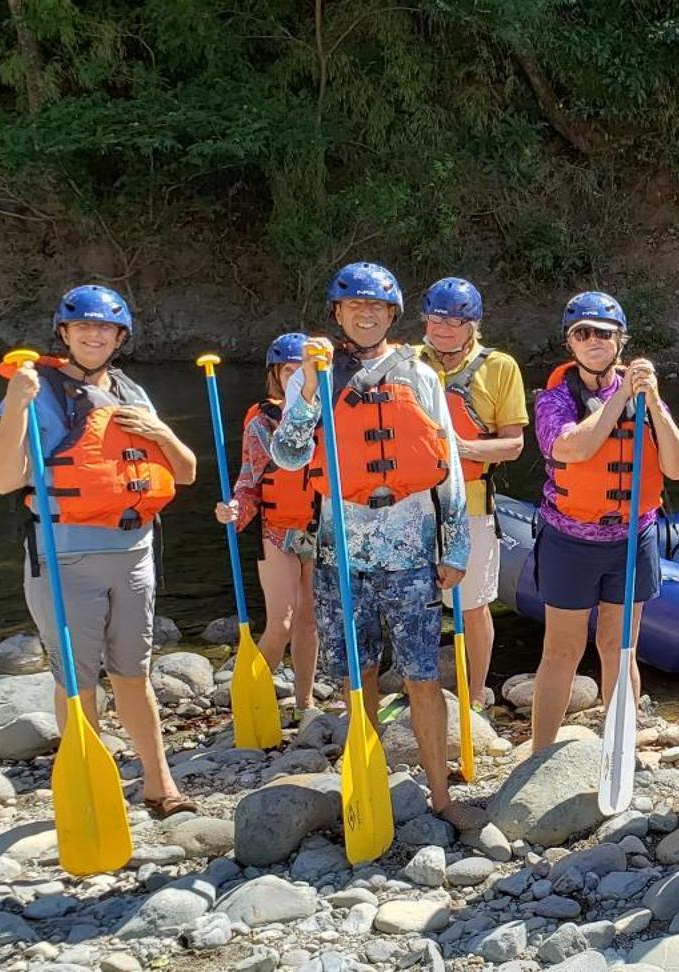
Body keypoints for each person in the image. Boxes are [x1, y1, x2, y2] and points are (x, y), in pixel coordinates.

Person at [0, 284, 199, 817]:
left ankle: (160, 785)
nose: (94, 334)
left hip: (134, 555)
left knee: (134, 674)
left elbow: (187, 472)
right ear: (65, 332)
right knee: (77, 684)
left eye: (105, 327)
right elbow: (2, 478)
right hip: (65, 559)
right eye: (83, 326)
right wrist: (15, 403)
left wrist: (160, 433)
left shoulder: (133, 394)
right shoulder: (39, 392)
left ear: (120, 336)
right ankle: (91, 789)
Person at [268, 261, 470, 812]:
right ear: (337, 312)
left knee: (424, 676)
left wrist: (455, 544)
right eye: (354, 305)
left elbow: (447, 462)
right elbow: (287, 455)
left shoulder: (420, 375)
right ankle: (371, 785)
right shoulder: (311, 376)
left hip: (409, 545)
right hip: (341, 552)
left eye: (376, 306)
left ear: (391, 314)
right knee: (361, 676)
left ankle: (441, 794)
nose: (365, 313)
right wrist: (308, 389)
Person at [528, 291, 679, 752]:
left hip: (630, 539)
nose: (594, 340)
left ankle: (620, 746)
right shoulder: (556, 398)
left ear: (620, 340)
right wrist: (620, 394)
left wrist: (652, 401)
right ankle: (540, 753)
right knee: (561, 651)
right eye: (584, 333)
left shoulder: (645, 396)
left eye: (604, 332)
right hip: (569, 538)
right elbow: (571, 448)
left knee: (620, 650)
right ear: (571, 343)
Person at [418, 277, 528, 718]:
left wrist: (460, 450)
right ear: (425, 317)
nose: (446, 327)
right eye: (438, 317)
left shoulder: (499, 367)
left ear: (473, 325)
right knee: (413, 601)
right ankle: (418, 684)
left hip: (472, 504)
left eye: (457, 320)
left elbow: (513, 444)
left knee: (474, 602)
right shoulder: (407, 363)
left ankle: (476, 692)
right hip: (411, 505)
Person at [214, 332, 322, 721]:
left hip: (319, 529)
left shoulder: (327, 413)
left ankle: (305, 702)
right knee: (283, 621)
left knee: (310, 621)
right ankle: (253, 698)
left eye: (302, 370)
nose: (296, 377)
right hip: (277, 531)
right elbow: (249, 479)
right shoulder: (261, 422)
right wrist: (234, 509)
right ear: (276, 374)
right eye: (290, 369)